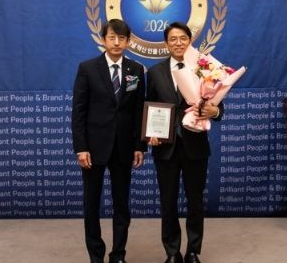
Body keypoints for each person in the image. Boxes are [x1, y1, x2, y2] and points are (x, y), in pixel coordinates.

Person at [146, 22, 223, 263]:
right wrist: (150, 133)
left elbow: (218, 105)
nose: (178, 43)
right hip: (165, 148)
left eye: (183, 38)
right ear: (166, 44)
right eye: (173, 39)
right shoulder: (155, 72)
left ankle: (192, 251)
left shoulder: (204, 68)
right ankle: (172, 252)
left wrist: (214, 111)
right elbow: (148, 106)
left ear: (190, 41)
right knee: (167, 202)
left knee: (195, 201)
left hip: (195, 146)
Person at [71, 19, 146, 263]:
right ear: (103, 39)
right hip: (93, 148)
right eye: (112, 37)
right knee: (91, 204)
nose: (116, 42)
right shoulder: (88, 68)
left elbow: (138, 110)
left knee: (121, 205)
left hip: (124, 148)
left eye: (121, 38)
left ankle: (118, 254)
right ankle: (96, 255)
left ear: (128, 42)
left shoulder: (136, 70)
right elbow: (79, 112)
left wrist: (139, 146)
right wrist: (81, 147)